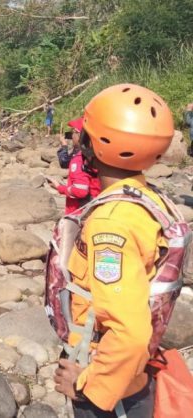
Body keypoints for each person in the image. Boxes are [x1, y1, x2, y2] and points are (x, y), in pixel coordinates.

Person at [53, 84, 180, 417]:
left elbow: (130, 331)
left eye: (85, 134)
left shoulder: (111, 224)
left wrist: (88, 385)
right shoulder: (147, 198)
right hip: (131, 377)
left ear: (94, 146)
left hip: (112, 391)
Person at [48, 118, 101, 214]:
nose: (72, 136)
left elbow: (80, 190)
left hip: (78, 213)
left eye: (74, 132)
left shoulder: (80, 158)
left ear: (81, 135)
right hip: (95, 208)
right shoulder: (97, 155)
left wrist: (60, 188)